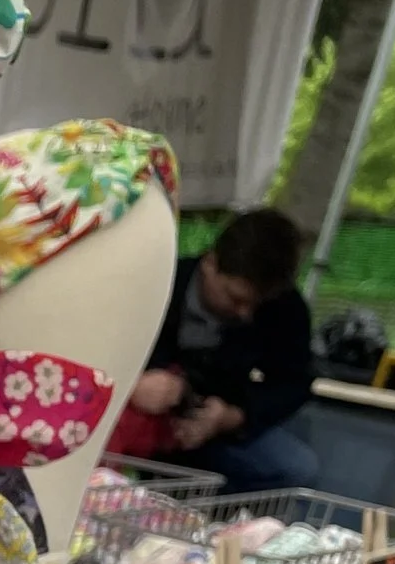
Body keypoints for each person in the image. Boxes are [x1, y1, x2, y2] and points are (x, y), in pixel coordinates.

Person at [125, 207, 319, 491]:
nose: (245, 314)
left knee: (298, 469)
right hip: (131, 417)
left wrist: (232, 416)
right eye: (235, 298)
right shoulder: (158, 284)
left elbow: (294, 383)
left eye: (257, 304)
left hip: (218, 430)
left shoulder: (285, 309)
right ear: (210, 263)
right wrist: (131, 386)